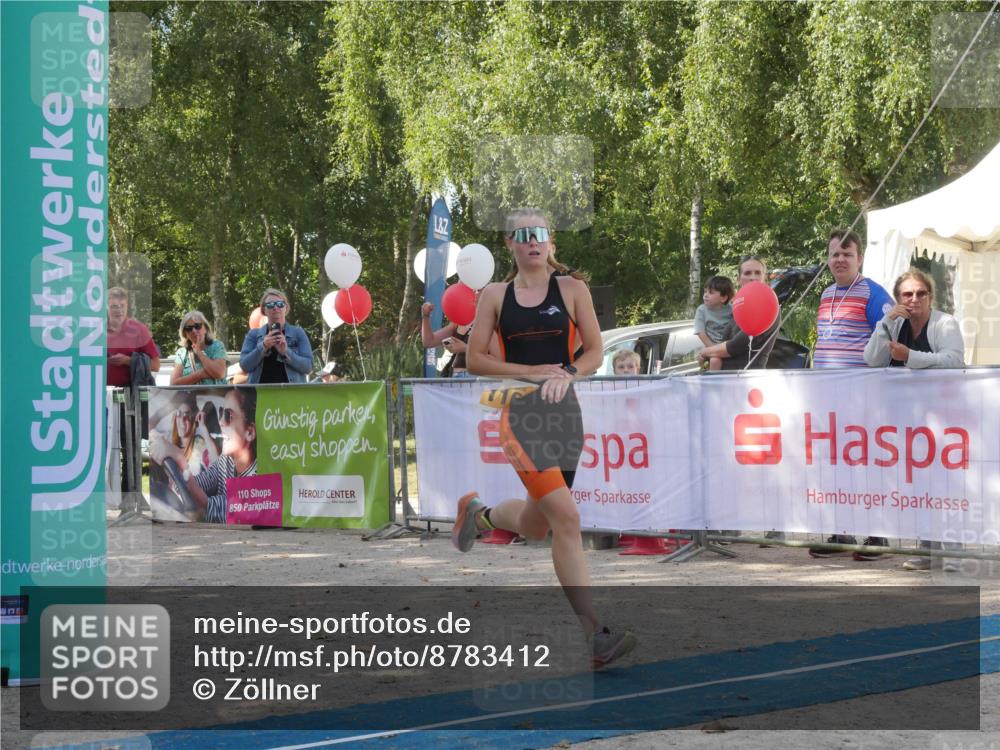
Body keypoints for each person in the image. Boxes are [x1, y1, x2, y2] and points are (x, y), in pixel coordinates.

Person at [456, 207, 636, 669]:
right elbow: (475, 359)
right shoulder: (495, 295)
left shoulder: (573, 290)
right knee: (568, 520)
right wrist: (530, 372)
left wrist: (570, 372)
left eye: (540, 234)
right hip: (519, 416)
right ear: (511, 245)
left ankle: (481, 515)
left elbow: (596, 350)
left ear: (551, 242)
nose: (533, 241)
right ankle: (595, 633)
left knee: (539, 526)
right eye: (523, 234)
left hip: (565, 417)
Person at [864, 268, 965, 571]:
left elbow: (954, 360)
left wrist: (910, 356)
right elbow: (872, 359)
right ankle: (927, 551)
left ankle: (955, 553)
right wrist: (886, 321)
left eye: (921, 293)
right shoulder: (895, 325)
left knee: (947, 486)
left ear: (930, 296)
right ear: (898, 299)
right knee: (920, 487)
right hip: (908, 422)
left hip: (945, 420)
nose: (914, 299)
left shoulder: (944, 323)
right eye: (907, 294)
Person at [810, 228, 895, 561]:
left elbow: (889, 338)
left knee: (870, 465)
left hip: (864, 401)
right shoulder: (826, 294)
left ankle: (880, 534)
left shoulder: (873, 293)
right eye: (834, 254)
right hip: (828, 402)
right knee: (836, 466)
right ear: (828, 259)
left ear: (860, 258)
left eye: (847, 253)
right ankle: (841, 531)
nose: (840, 259)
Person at [149, 387, 256, 523]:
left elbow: (209, 507)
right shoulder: (226, 461)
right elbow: (201, 483)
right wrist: (178, 477)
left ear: (250, 433)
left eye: (228, 415)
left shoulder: (258, 477)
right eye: (221, 413)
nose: (221, 422)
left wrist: (180, 462)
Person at [106, 286, 161, 497]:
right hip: (102, 394)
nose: (118, 310)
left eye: (121, 306)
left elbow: (155, 364)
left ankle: (130, 497)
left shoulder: (138, 329)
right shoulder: (97, 329)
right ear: (106, 307)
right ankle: (105, 496)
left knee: (129, 446)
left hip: (130, 394)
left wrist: (130, 361)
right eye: (113, 306)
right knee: (104, 446)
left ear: (127, 306)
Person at [697, 256, 778, 370]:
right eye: (747, 273)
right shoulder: (737, 308)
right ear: (738, 279)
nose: (753, 277)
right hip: (725, 380)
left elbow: (736, 346)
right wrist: (707, 357)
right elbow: (722, 342)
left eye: (758, 273)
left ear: (764, 278)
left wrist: (705, 352)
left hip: (748, 381)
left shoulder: (770, 306)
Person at [240, 288, 313, 384]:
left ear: (286, 308)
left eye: (280, 304)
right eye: (270, 305)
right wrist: (263, 346)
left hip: (291, 394)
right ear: (263, 310)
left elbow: (308, 367)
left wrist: (286, 352)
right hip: (260, 394)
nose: (276, 307)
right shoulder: (253, 335)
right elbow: (245, 366)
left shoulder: (298, 333)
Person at [170, 310, 228, 386]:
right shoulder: (182, 353)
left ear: (206, 329)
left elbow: (219, 373)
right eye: (188, 328)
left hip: (216, 397)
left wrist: (199, 353)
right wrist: (201, 374)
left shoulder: (217, 346)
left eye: (197, 326)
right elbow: (173, 384)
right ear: (185, 334)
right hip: (190, 397)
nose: (194, 330)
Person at [421, 301, 474, 378]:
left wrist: (465, 348)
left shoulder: (490, 320)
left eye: (478, 291)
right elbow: (428, 342)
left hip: (476, 378)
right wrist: (425, 316)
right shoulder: (458, 321)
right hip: (455, 376)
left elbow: (495, 354)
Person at [694, 276, 736, 371]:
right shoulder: (702, 310)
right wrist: (713, 349)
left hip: (727, 346)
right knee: (715, 361)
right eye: (705, 292)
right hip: (710, 346)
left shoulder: (732, 309)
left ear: (723, 298)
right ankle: (713, 383)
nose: (706, 295)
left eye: (711, 293)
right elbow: (700, 333)